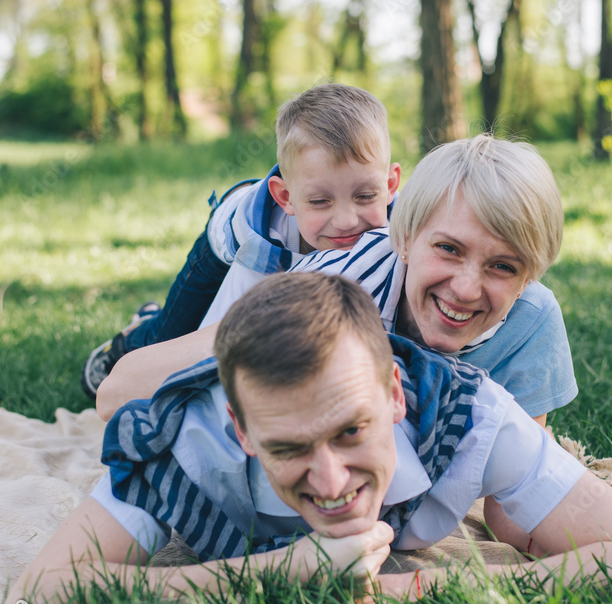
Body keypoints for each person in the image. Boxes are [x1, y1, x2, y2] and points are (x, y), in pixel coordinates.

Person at [8, 274, 612, 604]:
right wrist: (273, 575)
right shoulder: (180, 448)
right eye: (289, 447)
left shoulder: (473, 421)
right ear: (242, 430)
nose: (328, 481)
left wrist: (409, 592)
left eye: (351, 431)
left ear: (394, 395)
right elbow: (37, 595)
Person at [96, 136, 575, 554]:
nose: (467, 288)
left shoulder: (532, 322)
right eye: (449, 249)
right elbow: (117, 394)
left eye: (504, 266)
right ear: (404, 239)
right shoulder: (339, 280)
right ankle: (142, 326)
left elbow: (510, 509)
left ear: (529, 276)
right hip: (232, 249)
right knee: (169, 343)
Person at [81, 83, 401, 397]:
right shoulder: (262, 244)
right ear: (286, 197)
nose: (347, 220)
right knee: (172, 334)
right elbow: (226, 334)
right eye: (320, 202)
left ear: (389, 184)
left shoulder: (401, 228)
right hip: (220, 248)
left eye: (365, 196)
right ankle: (128, 340)